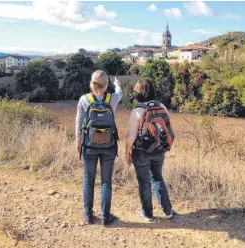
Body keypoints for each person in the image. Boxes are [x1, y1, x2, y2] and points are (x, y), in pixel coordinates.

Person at [125, 78, 176, 222]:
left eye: (136, 89)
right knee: (158, 178)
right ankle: (168, 211)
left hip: (141, 151)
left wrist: (127, 153)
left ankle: (147, 214)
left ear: (139, 93)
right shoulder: (162, 107)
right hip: (159, 149)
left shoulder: (137, 111)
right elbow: (167, 129)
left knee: (144, 182)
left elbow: (130, 136)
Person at [75, 70, 122, 225]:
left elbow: (79, 121)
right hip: (109, 146)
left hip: (89, 145)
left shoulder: (84, 99)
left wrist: (78, 140)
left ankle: (88, 216)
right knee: (106, 182)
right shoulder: (113, 98)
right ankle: (105, 217)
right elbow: (120, 91)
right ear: (106, 84)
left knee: (89, 181)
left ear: (92, 83)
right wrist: (117, 84)